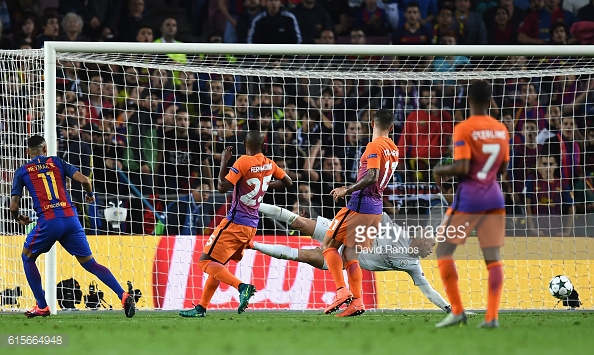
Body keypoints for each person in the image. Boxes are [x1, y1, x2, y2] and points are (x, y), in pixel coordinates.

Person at [9, 135, 136, 318]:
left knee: (27, 257)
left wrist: (17, 217)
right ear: (45, 149)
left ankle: (42, 305)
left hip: (49, 221)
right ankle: (123, 295)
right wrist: (90, 195)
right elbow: (85, 180)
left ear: (27, 152)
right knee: (90, 263)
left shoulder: (22, 171)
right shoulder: (57, 162)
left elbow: (13, 206)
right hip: (70, 218)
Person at [254, 203, 451, 312]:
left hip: (345, 260)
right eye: (432, 245)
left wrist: (448, 308)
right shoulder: (396, 232)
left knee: (303, 256)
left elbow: (429, 291)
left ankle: (252, 244)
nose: (430, 251)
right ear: (423, 240)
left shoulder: (413, 265)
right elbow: (376, 214)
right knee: (300, 223)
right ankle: (254, 206)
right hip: (346, 234)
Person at [179, 131, 293, 317]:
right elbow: (288, 182)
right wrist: (265, 185)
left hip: (234, 222)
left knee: (205, 261)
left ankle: (242, 287)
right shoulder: (269, 163)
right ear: (263, 145)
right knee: (218, 265)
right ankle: (201, 307)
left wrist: (224, 161)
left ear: (244, 144)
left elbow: (221, 187)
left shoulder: (242, 162)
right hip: (251, 226)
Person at [432, 80, 509, 328]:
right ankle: (492, 317)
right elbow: (503, 168)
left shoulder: (464, 128)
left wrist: (439, 169)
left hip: (470, 199)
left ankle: (457, 311)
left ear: (468, 101)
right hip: (495, 198)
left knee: (443, 250)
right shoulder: (501, 129)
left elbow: (463, 167)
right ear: (490, 102)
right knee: (493, 257)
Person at [321, 109, 399, 317]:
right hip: (376, 211)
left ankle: (341, 290)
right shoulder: (394, 149)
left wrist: (347, 189)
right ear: (391, 128)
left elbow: (372, 176)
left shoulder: (375, 145)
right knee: (349, 254)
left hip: (360, 205)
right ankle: (357, 301)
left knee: (328, 246)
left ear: (372, 124)